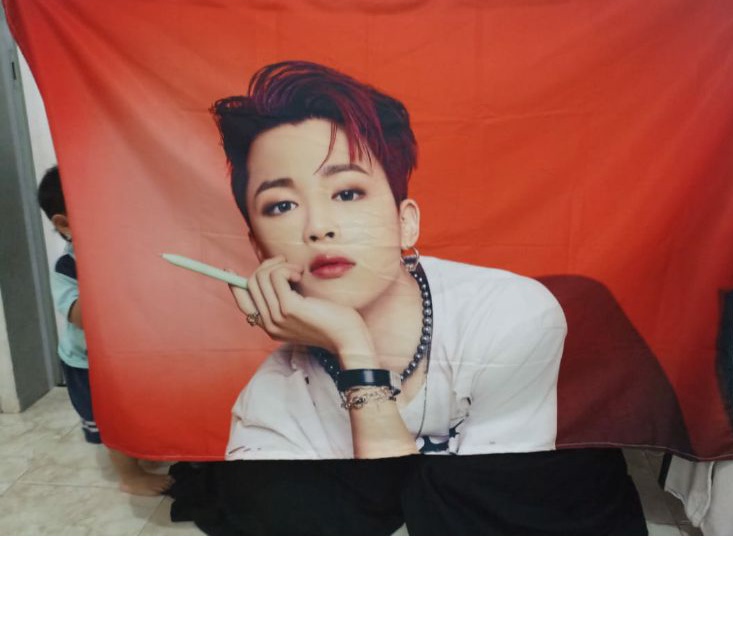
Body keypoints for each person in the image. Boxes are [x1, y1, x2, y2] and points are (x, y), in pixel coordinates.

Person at [169, 61, 647, 534]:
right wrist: (352, 345)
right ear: (259, 250)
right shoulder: (270, 408)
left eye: (347, 193)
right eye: (282, 205)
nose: (318, 227)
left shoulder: (510, 314)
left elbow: (487, 529)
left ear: (405, 222)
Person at [38, 166, 173, 496]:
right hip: (88, 364)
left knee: (132, 411)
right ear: (65, 224)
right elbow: (80, 316)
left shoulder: (123, 251)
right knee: (107, 420)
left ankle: (138, 449)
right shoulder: (67, 267)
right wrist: (103, 270)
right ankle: (129, 475)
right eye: (98, 211)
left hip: (125, 357)